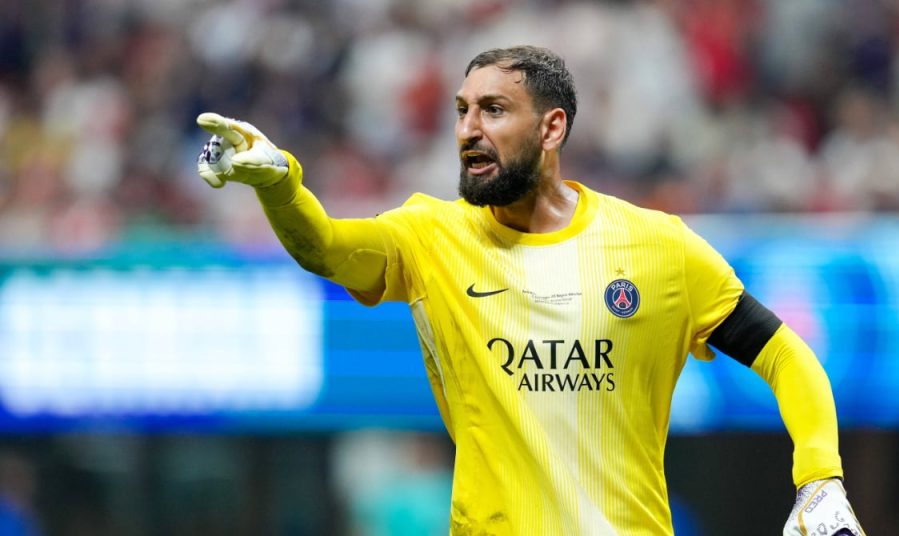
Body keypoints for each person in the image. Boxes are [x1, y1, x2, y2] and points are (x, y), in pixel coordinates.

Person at [196, 45, 864, 535]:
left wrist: (819, 475)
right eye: (461, 112)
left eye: (493, 110)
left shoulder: (658, 248)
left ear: (551, 129)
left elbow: (783, 354)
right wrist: (279, 183)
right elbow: (327, 247)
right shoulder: (431, 237)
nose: (468, 130)